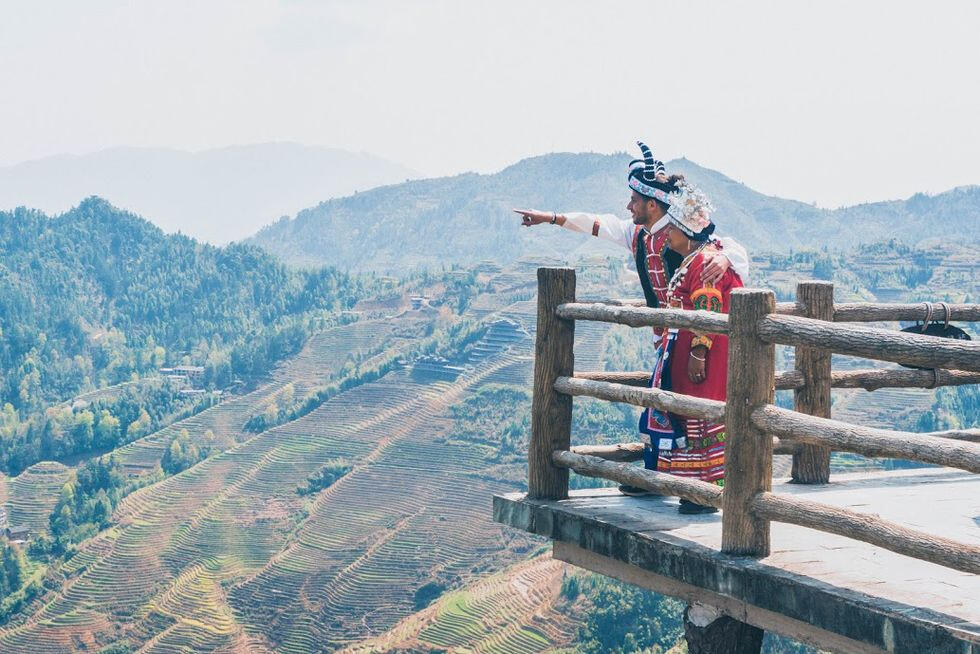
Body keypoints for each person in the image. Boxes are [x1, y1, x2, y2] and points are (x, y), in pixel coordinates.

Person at [514, 142, 749, 498]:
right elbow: (598, 225)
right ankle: (660, 476)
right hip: (669, 340)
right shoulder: (640, 235)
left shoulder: (688, 234)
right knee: (665, 406)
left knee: (687, 410)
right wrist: (551, 217)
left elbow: (725, 250)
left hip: (695, 343)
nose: (628, 206)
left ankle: (691, 485)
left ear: (652, 204)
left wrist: (729, 258)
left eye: (634, 200)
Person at [637, 180, 742, 513]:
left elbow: (708, 308)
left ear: (687, 231)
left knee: (702, 415)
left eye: (673, 230)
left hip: (701, 359)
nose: (668, 235)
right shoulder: (696, 260)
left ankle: (704, 490)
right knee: (691, 414)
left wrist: (698, 352)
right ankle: (694, 487)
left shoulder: (706, 262)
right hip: (685, 353)